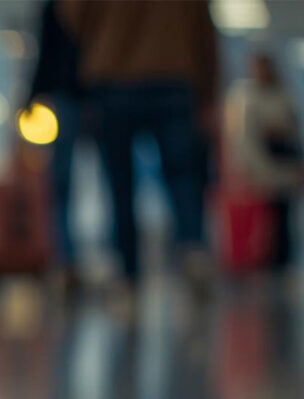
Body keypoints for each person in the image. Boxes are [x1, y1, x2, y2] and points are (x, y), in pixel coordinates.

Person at [59, 0, 218, 293]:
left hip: (112, 77)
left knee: (120, 185)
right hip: (173, 72)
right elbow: (205, 30)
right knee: (182, 176)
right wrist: (208, 93)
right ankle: (192, 246)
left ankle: (128, 272)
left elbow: (70, 14)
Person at [27, 0, 84, 294]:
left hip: (67, 96)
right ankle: (74, 263)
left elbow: (45, 53)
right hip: (100, 90)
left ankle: (68, 263)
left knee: (61, 186)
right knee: (114, 182)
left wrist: (32, 95)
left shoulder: (56, 7)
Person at [228, 53, 302, 270]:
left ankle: (282, 261)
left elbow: (293, 136)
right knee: (262, 222)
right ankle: (261, 260)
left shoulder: (284, 96)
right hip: (259, 169)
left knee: (283, 220)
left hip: (284, 169)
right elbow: (245, 141)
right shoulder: (245, 98)